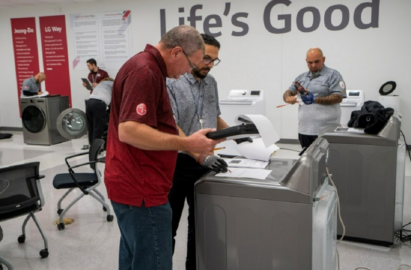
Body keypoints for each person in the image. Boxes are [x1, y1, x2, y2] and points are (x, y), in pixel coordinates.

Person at [104, 25, 225, 270]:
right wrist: (188, 143)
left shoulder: (148, 69)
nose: (186, 73)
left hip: (138, 184)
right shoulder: (145, 71)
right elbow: (129, 130)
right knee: (153, 261)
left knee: (135, 258)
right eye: (190, 65)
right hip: (142, 189)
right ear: (177, 53)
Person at [166, 33, 228, 270]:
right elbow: (172, 125)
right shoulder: (172, 82)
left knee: (201, 227)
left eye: (214, 60)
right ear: (192, 54)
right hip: (176, 163)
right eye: (206, 58)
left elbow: (215, 116)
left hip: (205, 164)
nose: (210, 65)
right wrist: (200, 154)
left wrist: (241, 135)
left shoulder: (211, 82)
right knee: (167, 227)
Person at [283, 48, 346, 148]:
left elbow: (338, 97)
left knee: (328, 162)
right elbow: (289, 91)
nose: (313, 65)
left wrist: (315, 100)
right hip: (304, 130)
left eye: (317, 61)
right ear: (306, 61)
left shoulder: (333, 75)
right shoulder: (301, 77)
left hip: (326, 130)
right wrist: (287, 98)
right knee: (307, 161)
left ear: (323, 59)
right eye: (310, 62)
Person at [86, 77, 113, 144]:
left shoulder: (100, 84)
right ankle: (97, 148)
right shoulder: (113, 84)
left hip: (89, 101)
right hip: (99, 102)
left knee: (91, 126)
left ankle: (92, 147)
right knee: (98, 126)